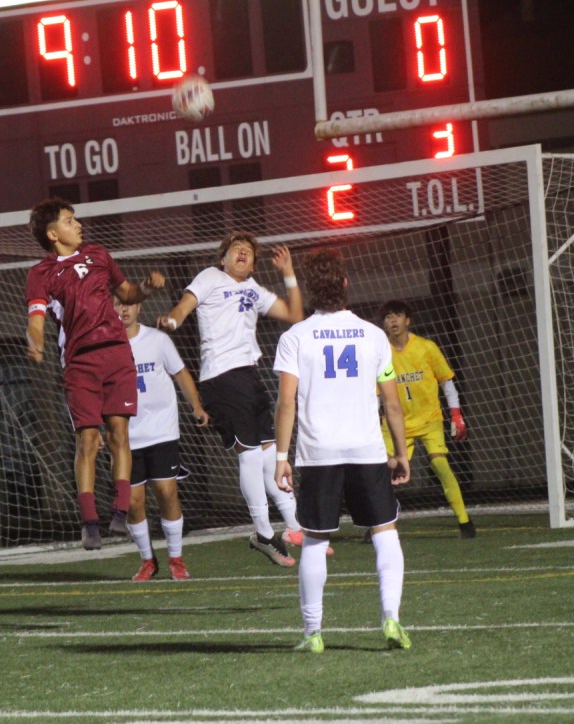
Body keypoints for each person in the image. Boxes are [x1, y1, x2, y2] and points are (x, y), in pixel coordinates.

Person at [273, 248, 413, 653]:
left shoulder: (295, 337)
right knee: (385, 532)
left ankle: (313, 634)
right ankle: (391, 619)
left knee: (315, 539)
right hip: (367, 450)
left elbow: (287, 402)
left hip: (319, 454)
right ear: (346, 284)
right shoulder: (374, 336)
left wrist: (281, 457)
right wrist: (400, 452)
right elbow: (390, 402)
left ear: (312, 289)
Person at [157, 231, 308, 567]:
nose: (242, 254)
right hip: (222, 378)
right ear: (222, 259)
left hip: (250, 377)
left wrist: (288, 273)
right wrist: (172, 319)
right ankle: (264, 533)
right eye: (235, 250)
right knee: (252, 458)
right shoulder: (211, 277)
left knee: (270, 457)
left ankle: (296, 527)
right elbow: (184, 307)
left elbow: (295, 315)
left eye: (248, 252)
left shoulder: (252, 288)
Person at [25, 197, 164, 550]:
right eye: (70, 221)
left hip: (117, 353)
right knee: (87, 439)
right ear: (53, 233)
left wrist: (145, 288)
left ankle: (119, 513)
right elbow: (36, 318)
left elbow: (127, 292)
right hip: (80, 362)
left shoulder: (99, 254)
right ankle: (89, 522)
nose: (78, 225)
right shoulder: (41, 274)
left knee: (120, 433)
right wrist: (36, 342)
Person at [115, 297, 209, 581]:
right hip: (125, 438)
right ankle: (147, 561)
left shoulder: (157, 340)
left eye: (129, 304)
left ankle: (176, 559)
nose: (124, 309)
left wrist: (197, 406)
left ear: (139, 308)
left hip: (161, 432)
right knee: (133, 502)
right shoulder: (106, 347)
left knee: (167, 494)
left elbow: (180, 373)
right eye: (118, 304)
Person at [379, 299, 476, 538]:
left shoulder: (426, 347)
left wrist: (456, 414)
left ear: (407, 320)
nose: (393, 321)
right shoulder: (381, 353)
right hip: (395, 424)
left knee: (440, 465)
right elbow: (376, 394)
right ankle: (379, 522)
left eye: (397, 315)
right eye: (388, 317)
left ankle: (464, 521)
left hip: (429, 420)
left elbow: (447, 382)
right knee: (379, 472)